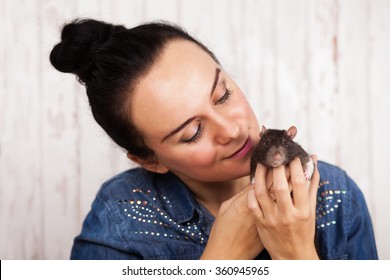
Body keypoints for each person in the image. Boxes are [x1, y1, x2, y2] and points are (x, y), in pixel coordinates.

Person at [50, 18, 378, 260]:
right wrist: (221, 259)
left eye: (223, 95)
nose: (232, 131)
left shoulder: (335, 196)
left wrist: (298, 255)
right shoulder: (121, 219)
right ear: (151, 160)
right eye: (192, 133)